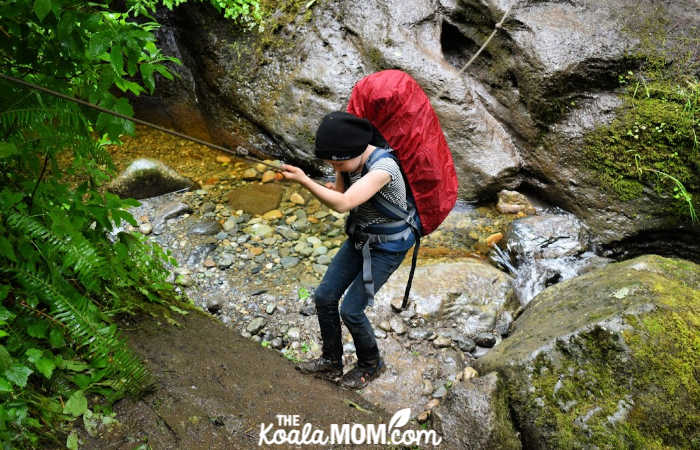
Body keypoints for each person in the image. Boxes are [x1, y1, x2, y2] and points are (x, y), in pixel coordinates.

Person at [281, 111, 417, 390]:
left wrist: (305, 181)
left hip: (387, 248)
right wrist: (335, 180)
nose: (334, 166)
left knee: (352, 310)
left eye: (335, 162)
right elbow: (343, 192)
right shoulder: (349, 161)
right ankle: (332, 360)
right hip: (360, 237)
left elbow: (343, 204)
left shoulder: (384, 169)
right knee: (324, 296)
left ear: (350, 153)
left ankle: (371, 364)